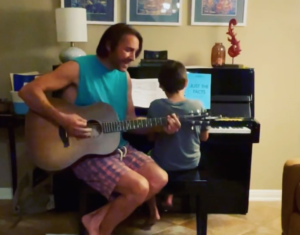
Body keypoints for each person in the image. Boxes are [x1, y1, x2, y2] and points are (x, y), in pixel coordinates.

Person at [19, 23, 181, 235]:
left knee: (159, 178)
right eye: (128, 50)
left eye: (136, 52)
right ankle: (103, 230)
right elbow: (28, 91)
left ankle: (94, 219)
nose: (133, 57)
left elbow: (130, 121)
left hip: (118, 147)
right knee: (139, 188)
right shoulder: (77, 68)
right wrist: (63, 119)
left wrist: (160, 127)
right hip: (87, 153)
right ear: (109, 45)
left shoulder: (125, 77)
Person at [146, 60, 209, 226]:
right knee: (183, 151)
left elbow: (151, 138)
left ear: (160, 85)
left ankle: (154, 212)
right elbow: (204, 138)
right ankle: (169, 196)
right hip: (190, 163)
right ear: (186, 82)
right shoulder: (198, 105)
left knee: (144, 162)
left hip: (163, 164)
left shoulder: (155, 106)